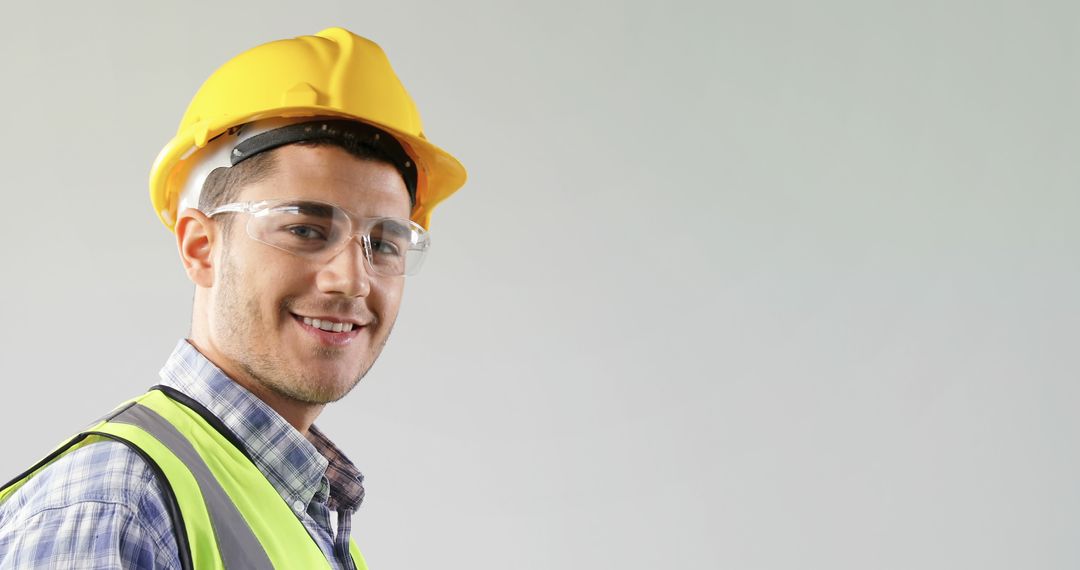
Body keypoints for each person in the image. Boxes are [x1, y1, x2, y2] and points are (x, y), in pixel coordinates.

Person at [0, 27, 466, 569]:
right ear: (201, 247)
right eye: (306, 230)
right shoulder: (118, 507)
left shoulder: (308, 515)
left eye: (384, 243)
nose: (352, 280)